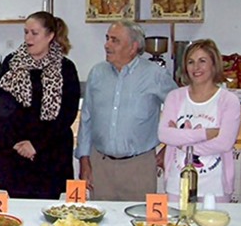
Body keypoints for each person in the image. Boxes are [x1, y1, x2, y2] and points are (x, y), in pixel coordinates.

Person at [75, 20, 178, 201]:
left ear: (133, 47)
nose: (107, 45)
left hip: (139, 167)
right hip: (101, 166)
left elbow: (181, 111)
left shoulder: (155, 75)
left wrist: (170, 148)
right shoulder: (97, 73)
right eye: (107, 39)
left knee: (139, 223)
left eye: (115, 40)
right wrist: (84, 161)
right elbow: (86, 119)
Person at [0, 12, 80, 199]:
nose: (28, 38)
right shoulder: (11, 63)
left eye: (34, 33)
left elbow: (66, 115)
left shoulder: (65, 68)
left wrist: (36, 144)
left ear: (50, 36)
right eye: (25, 32)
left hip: (50, 157)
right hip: (14, 155)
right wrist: (17, 142)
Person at [158, 39, 241, 203]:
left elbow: (223, 143)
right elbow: (164, 135)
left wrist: (181, 141)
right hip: (177, 185)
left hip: (214, 189)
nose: (196, 67)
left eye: (202, 61)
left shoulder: (228, 100)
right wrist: (206, 133)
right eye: (191, 62)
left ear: (214, 65)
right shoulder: (175, 97)